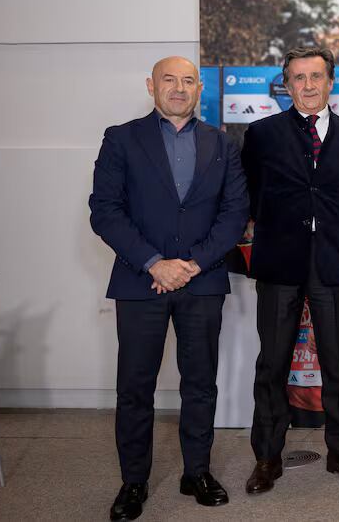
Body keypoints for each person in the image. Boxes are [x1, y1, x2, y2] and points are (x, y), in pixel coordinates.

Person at [89, 56, 248, 521]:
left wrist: (194, 264)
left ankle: (196, 471)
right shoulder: (121, 138)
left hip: (203, 283)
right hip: (142, 282)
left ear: (199, 89)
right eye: (168, 80)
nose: (178, 89)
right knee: (134, 388)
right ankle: (133, 482)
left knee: (200, 384)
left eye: (187, 81)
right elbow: (104, 210)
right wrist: (156, 263)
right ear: (151, 86)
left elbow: (235, 212)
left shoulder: (221, 143)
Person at [241, 46, 339, 493]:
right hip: (280, 263)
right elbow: (254, 194)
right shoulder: (261, 135)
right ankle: (267, 457)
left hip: (333, 263)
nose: (309, 85)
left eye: (317, 76)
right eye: (299, 77)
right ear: (287, 83)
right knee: (272, 363)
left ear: (331, 82)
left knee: (338, 364)